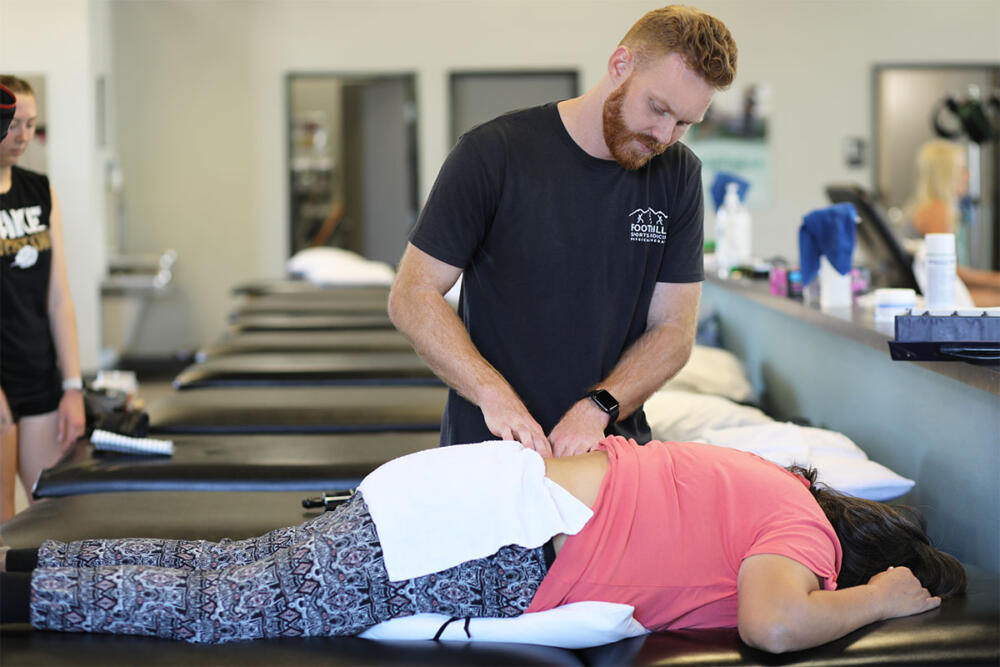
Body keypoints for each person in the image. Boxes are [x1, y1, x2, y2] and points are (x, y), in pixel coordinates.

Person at [0, 436, 965, 653]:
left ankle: (23, 571)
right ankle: (14, 597)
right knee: (233, 606)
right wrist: (879, 599)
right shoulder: (803, 534)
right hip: (499, 540)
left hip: (470, 493)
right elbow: (773, 623)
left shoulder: (761, 474)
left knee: (233, 569)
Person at [388, 6, 738, 456]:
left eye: (685, 123)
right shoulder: (494, 152)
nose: (665, 135)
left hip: (609, 454)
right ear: (620, 65)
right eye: (658, 108)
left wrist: (599, 407)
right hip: (493, 448)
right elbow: (413, 295)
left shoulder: (679, 174)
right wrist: (494, 396)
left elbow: (672, 331)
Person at [0, 75, 86, 521]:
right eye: (13, 123)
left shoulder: (39, 191)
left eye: (31, 124)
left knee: (50, 518)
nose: (23, 136)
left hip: (37, 373)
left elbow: (58, 297)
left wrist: (72, 386)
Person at [906, 139, 1000, 306]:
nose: (967, 176)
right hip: (939, 297)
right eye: (962, 169)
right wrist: (994, 279)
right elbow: (947, 270)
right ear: (947, 173)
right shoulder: (937, 210)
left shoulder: (924, 207)